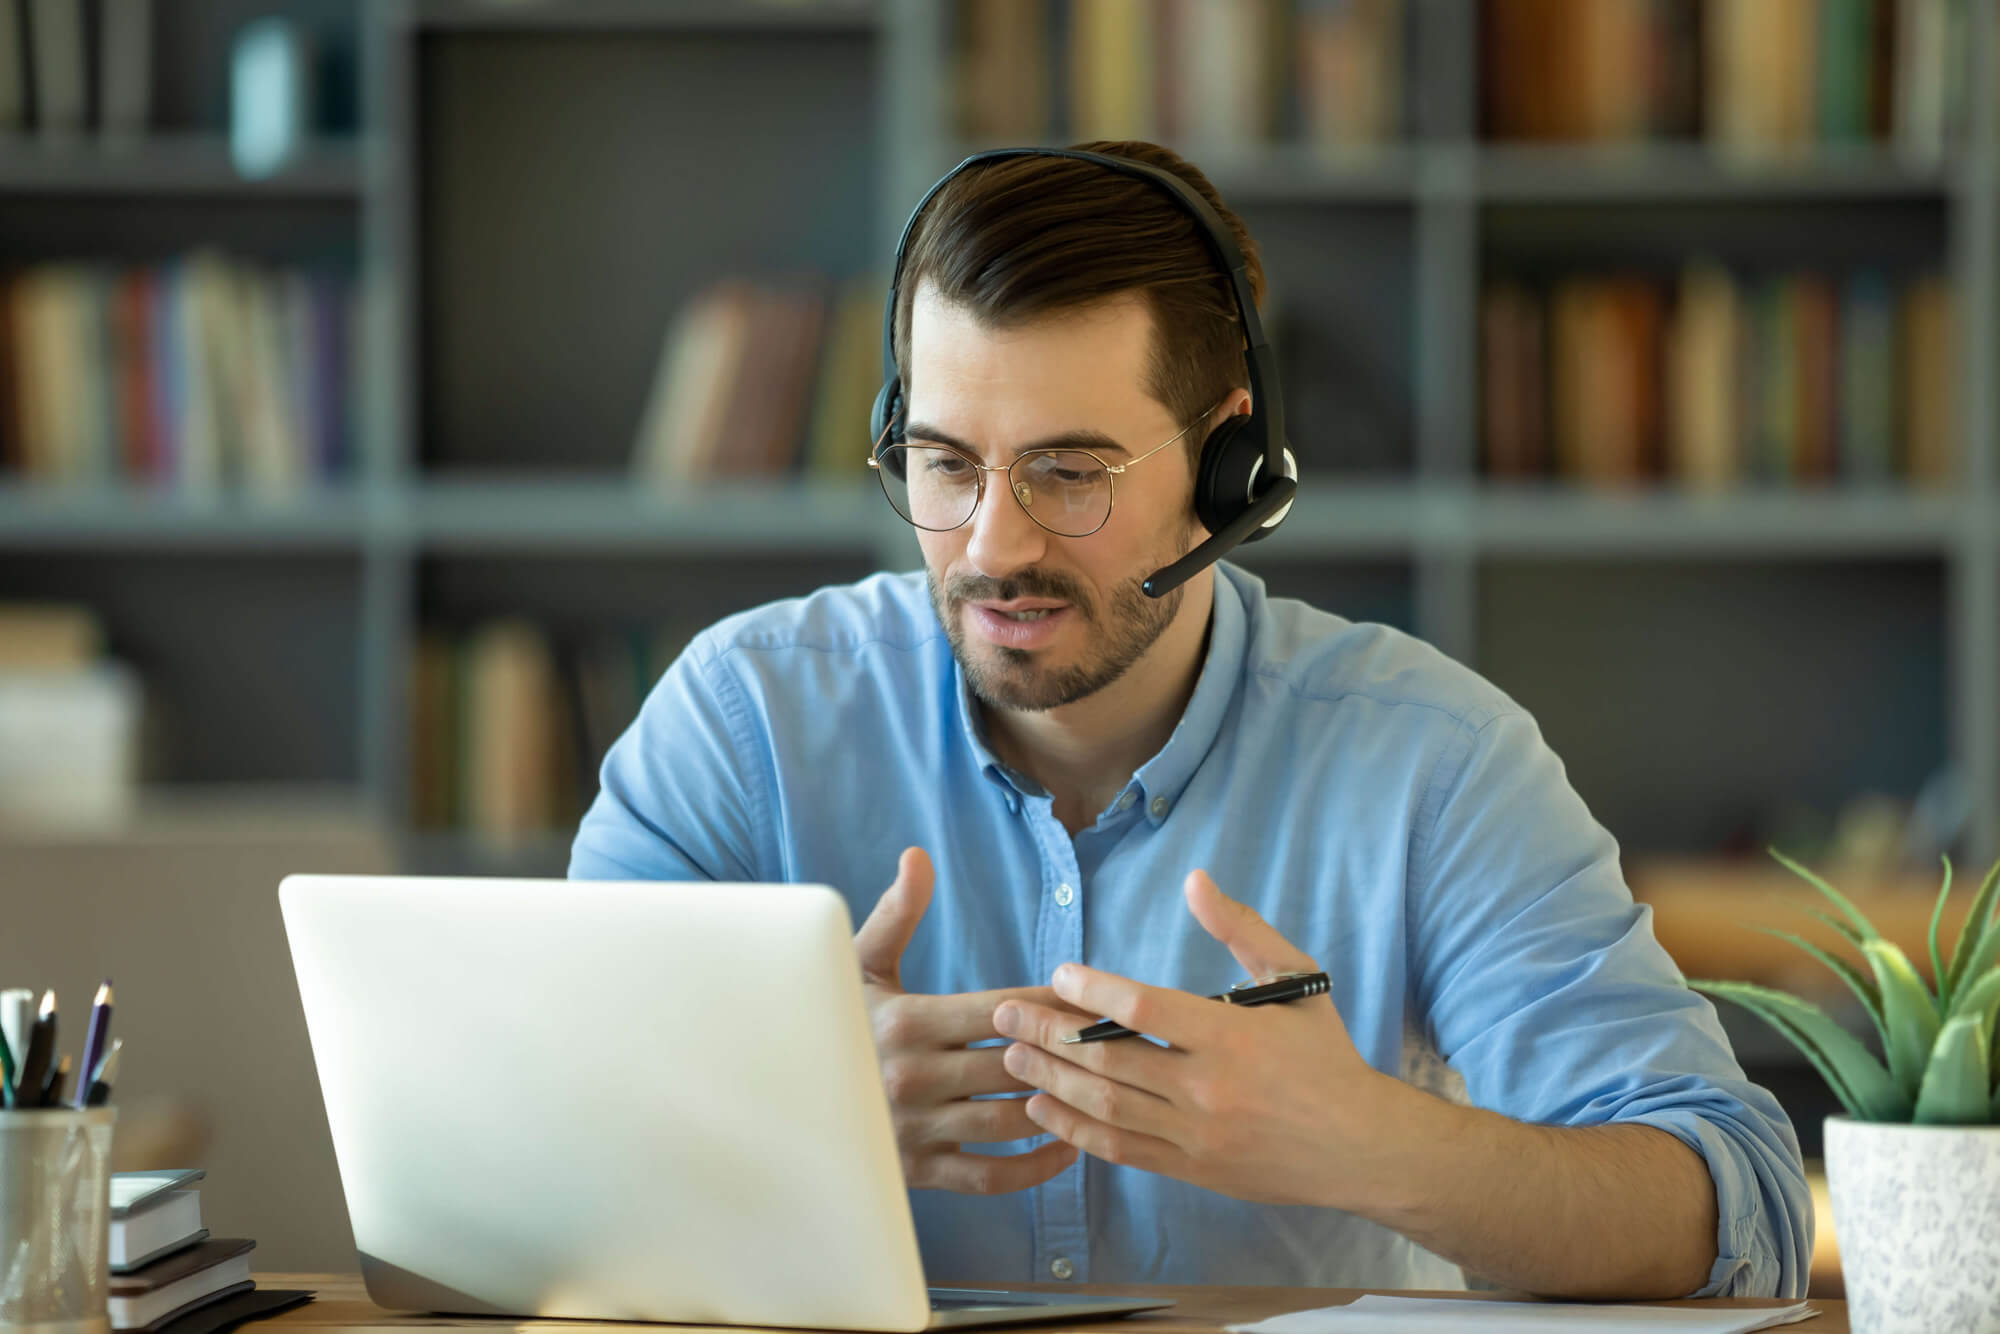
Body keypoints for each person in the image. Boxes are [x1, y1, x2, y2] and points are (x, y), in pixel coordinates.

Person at [569, 140, 1811, 1301]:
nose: (991, 547)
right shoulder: (742, 721)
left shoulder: (1429, 759)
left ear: (1230, 466)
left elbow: (1740, 1212)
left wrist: (1372, 1144)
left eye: (1069, 472)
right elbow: (529, 1132)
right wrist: (782, 1108)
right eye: (944, 463)